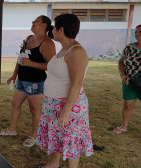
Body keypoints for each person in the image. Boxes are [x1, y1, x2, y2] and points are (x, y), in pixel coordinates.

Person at [35, 14, 93, 168]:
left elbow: (77, 83)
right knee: (57, 135)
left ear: (60, 30)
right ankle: (54, 164)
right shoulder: (64, 49)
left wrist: (66, 111)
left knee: (70, 140)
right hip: (53, 103)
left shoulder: (76, 51)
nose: (51, 30)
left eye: (53, 27)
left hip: (68, 105)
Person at [0, 15, 56, 147]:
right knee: (15, 104)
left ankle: (34, 136)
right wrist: (14, 75)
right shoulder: (29, 38)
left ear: (44, 25)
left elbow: (51, 66)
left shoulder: (47, 43)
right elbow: (20, 58)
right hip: (21, 80)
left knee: (34, 110)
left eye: (36, 21)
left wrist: (31, 63)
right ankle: (12, 129)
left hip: (35, 82)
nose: (32, 22)